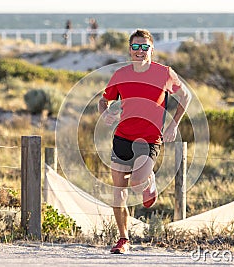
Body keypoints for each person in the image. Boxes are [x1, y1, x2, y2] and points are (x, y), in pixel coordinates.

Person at [97, 29, 191, 254]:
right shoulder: (121, 74)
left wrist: (173, 124)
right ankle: (123, 239)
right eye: (136, 47)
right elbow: (104, 100)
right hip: (122, 137)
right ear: (130, 49)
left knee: (136, 183)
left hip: (149, 139)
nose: (140, 51)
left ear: (151, 49)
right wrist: (106, 113)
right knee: (119, 192)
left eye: (144, 47)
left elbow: (186, 96)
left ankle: (148, 180)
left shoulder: (164, 73)